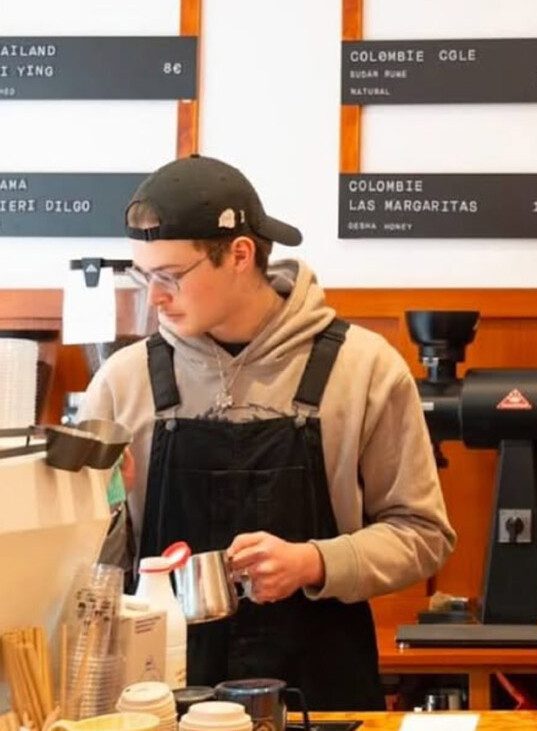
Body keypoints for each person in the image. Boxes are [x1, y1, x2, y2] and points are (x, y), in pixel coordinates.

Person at [82, 155, 456, 709]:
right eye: (143, 276)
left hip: (323, 695)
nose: (153, 298)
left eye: (170, 277)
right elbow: (84, 571)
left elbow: (424, 535)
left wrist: (316, 562)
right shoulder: (124, 381)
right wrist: (107, 510)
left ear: (240, 254)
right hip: (159, 697)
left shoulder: (363, 369)